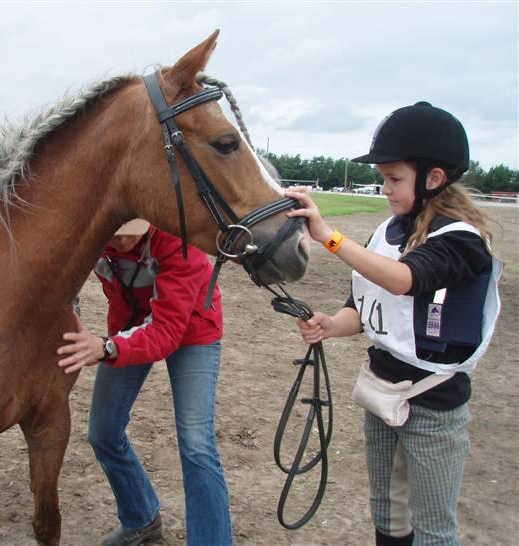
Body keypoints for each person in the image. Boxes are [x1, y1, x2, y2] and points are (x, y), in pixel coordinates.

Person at [285, 102, 502, 546]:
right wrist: (331, 324)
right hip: (381, 391)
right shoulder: (387, 232)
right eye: (383, 178)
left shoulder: (460, 239)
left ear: (433, 179)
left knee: (434, 529)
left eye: (393, 178)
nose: (384, 188)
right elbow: (363, 307)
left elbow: (404, 280)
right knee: (387, 514)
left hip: (433, 403)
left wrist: (329, 236)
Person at [57, 218, 232, 546]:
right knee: (103, 433)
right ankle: (141, 518)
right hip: (128, 327)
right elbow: (63, 277)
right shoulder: (93, 233)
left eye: (130, 234)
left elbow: (166, 331)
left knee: (197, 444)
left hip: (192, 331)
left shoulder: (181, 238)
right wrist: (72, 312)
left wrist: (108, 347)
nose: (121, 241)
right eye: (114, 232)